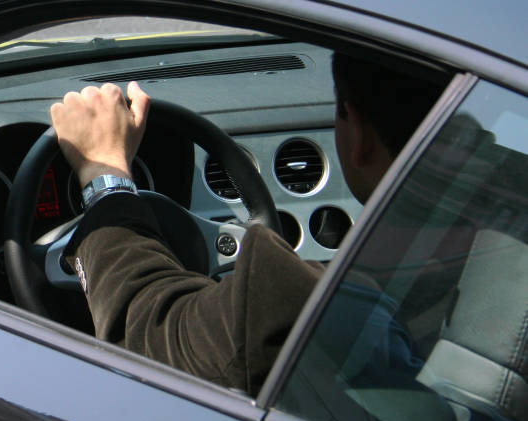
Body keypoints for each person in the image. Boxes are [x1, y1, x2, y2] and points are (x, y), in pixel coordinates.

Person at [50, 52, 443, 396]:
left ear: (358, 133)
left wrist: (104, 171)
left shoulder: (286, 304)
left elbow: (149, 333)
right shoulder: (493, 228)